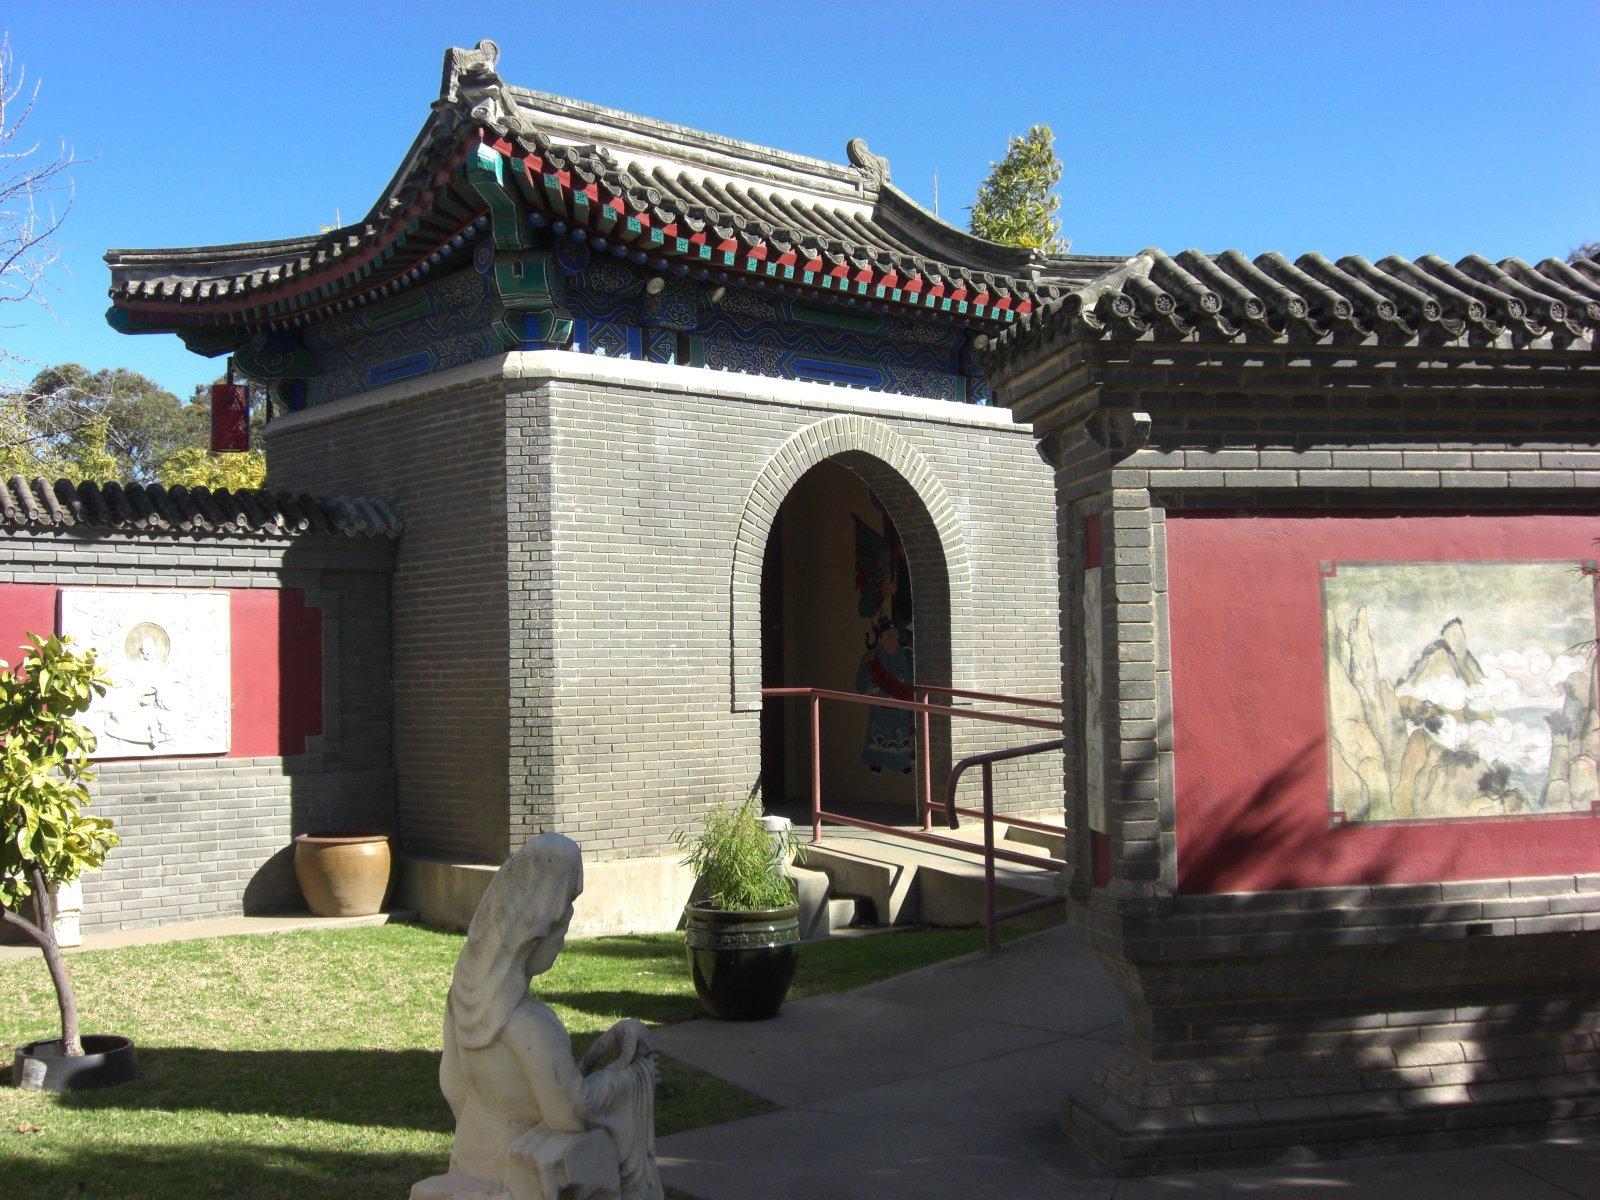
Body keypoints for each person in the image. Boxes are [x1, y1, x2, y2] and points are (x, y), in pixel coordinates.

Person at [438, 835, 662, 1200]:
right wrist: (632, 1076)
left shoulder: (462, 1004)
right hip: (519, 1178)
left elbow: (454, 1089)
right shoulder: (527, 1025)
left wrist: (599, 1052)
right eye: (561, 933)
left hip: (469, 1160)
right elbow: (572, 1112)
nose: (562, 945)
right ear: (535, 933)